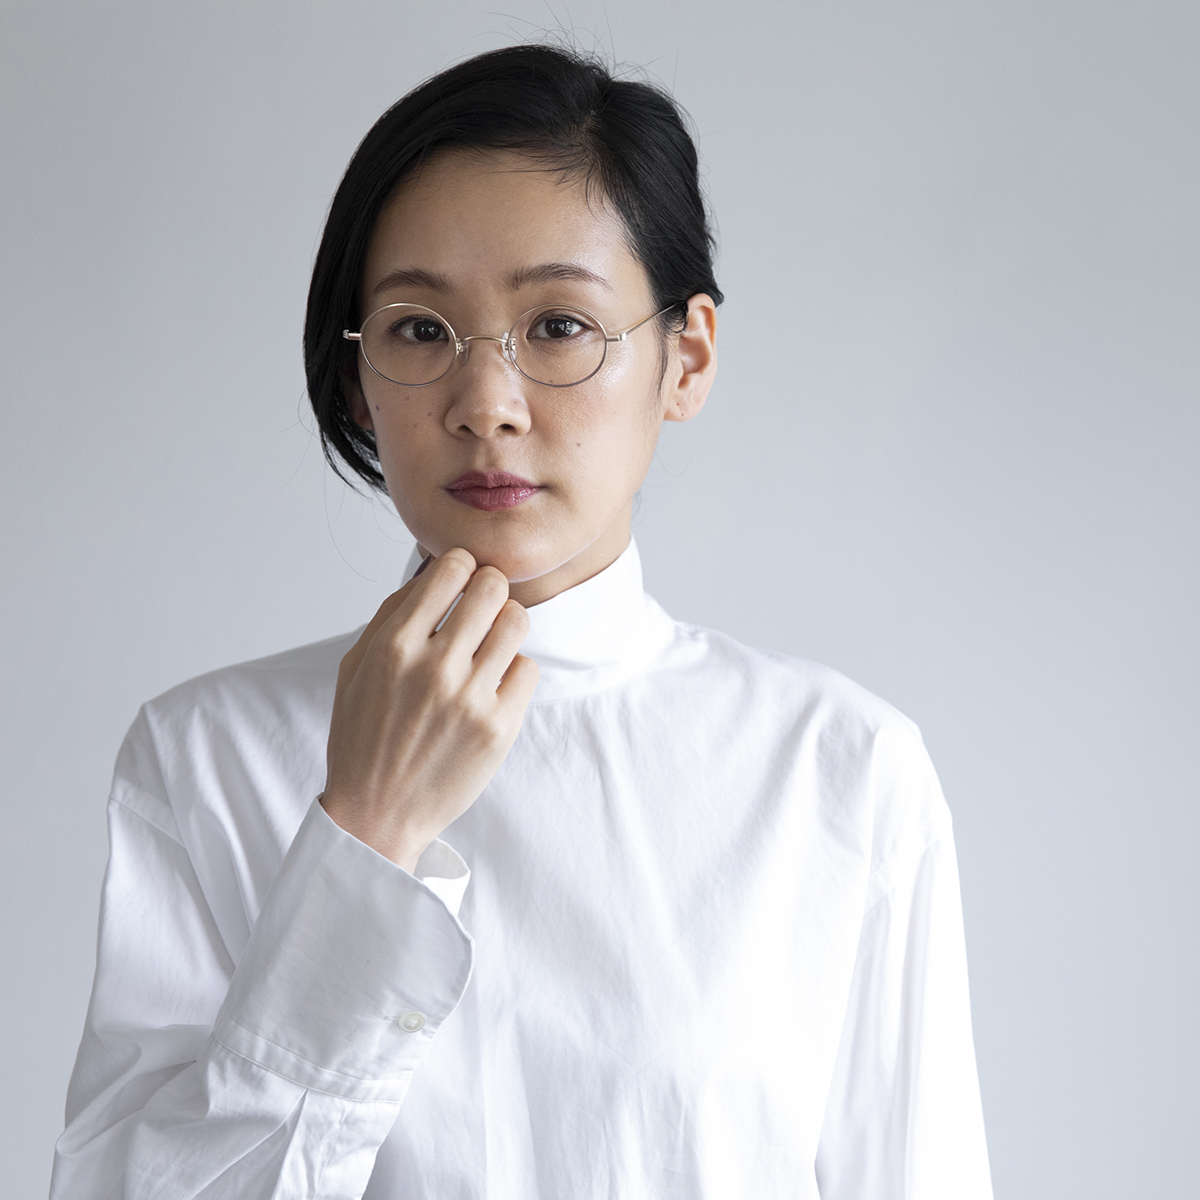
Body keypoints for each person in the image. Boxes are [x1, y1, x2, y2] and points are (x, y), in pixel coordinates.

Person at [51, 43, 993, 1199]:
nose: (486, 405)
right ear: (357, 379)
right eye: (418, 330)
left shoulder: (840, 772)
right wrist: (364, 835)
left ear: (686, 357)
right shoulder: (203, 757)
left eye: (558, 326)